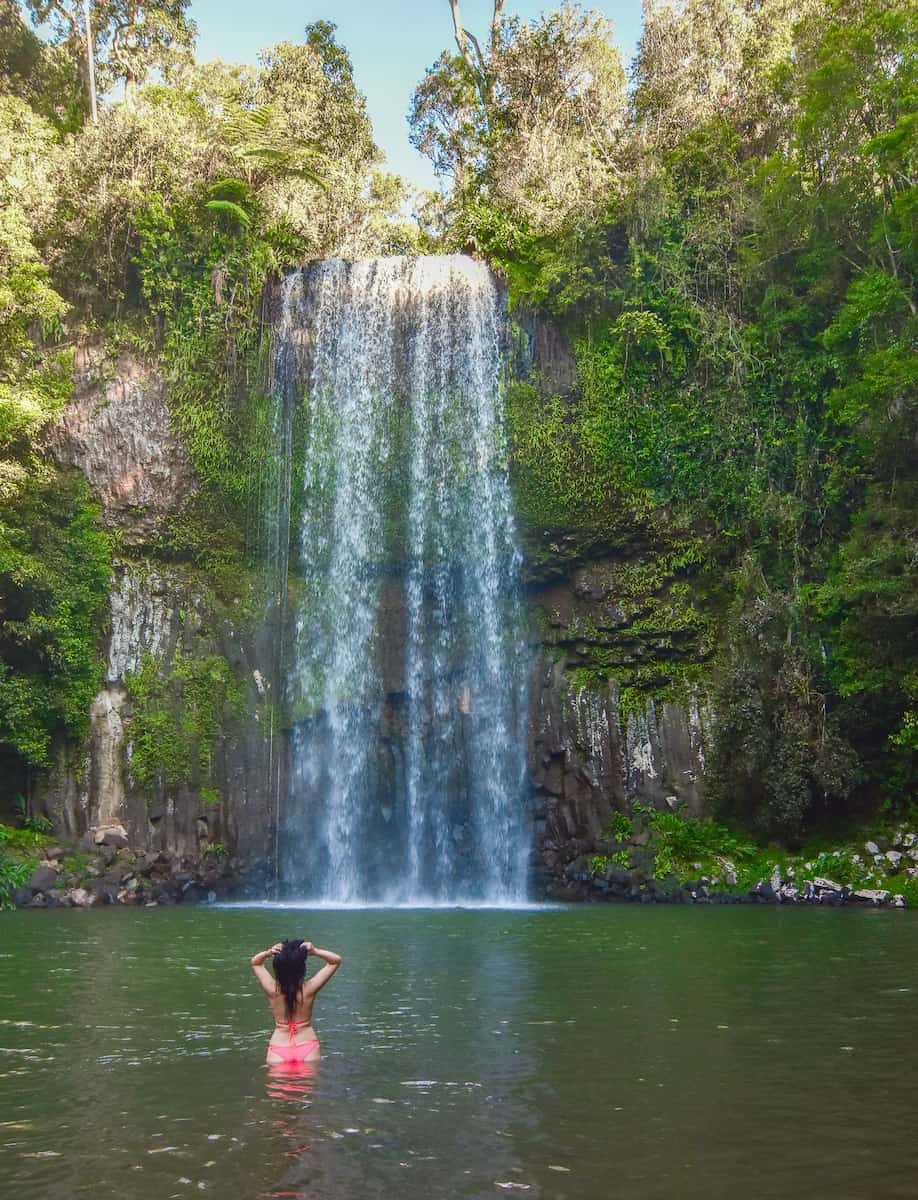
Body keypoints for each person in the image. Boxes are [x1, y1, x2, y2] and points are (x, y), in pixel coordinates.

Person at [250, 938, 342, 1065]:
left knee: (278, 1084)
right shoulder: (309, 989)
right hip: (307, 1045)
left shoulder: (272, 990)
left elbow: (256, 962)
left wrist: (268, 952)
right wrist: (315, 951)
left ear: (277, 968)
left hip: (279, 1047)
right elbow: (335, 961)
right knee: (306, 1084)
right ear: (301, 969)